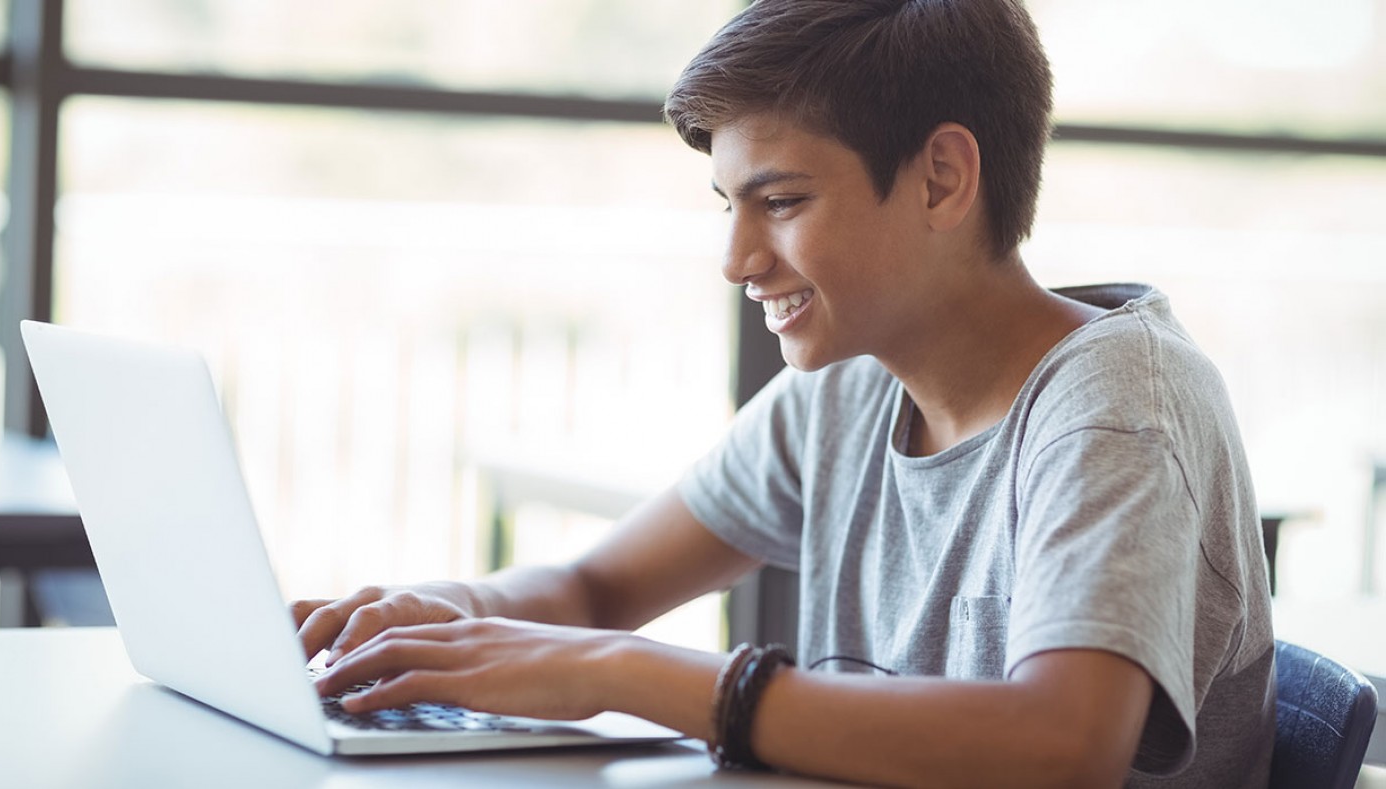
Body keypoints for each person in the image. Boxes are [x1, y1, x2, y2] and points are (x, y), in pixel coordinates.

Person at [292, 1, 1275, 786]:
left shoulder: (1115, 402)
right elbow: (597, 588)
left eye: (782, 201)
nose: (735, 260)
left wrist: (621, 674)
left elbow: (1057, 748)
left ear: (940, 177)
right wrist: (442, 613)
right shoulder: (847, 392)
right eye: (728, 206)